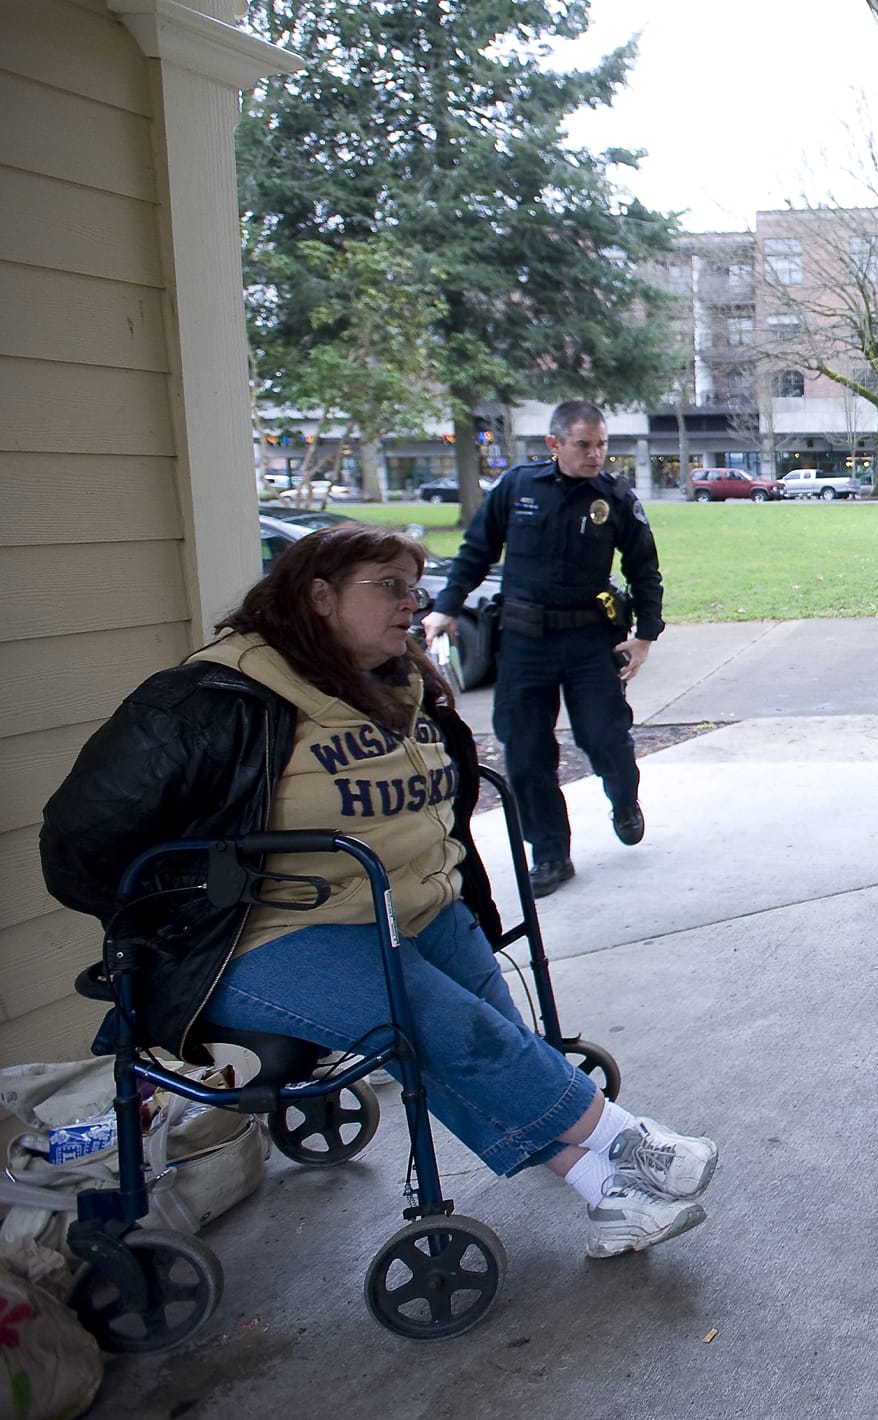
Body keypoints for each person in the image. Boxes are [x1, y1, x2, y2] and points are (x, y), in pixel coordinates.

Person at [42, 524, 718, 1260]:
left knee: (491, 1046)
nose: (410, 603)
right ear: (320, 596)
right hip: (262, 936)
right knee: (450, 1033)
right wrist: (195, 905)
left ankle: (606, 1194)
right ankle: (628, 1141)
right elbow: (79, 841)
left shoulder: (399, 680)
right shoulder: (212, 697)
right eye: (387, 585)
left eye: (413, 586)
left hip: (411, 908)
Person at [423, 399, 663, 898]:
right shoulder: (517, 488)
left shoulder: (615, 497)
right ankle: (551, 854)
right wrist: (447, 607)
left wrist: (645, 635)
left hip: (588, 642)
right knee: (527, 753)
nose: (596, 455)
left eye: (602, 445)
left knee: (604, 737)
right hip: (525, 643)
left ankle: (624, 798)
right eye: (584, 445)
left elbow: (644, 570)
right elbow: (475, 552)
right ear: (554, 444)